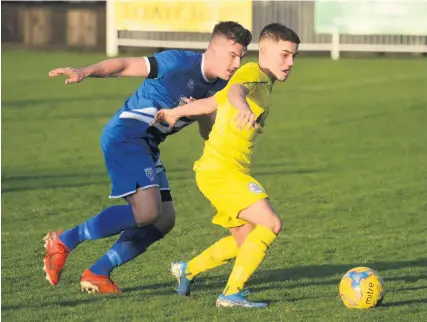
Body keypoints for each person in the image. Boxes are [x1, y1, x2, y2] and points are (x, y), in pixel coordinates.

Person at [43, 21, 252, 294]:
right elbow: (125, 66)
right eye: (232, 54)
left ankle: (98, 272)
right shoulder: (178, 62)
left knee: (164, 220)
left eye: (242, 57)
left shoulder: (221, 87)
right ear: (213, 47)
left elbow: (208, 133)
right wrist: (84, 71)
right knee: (147, 211)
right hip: (128, 133)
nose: (236, 63)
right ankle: (64, 240)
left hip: (150, 144)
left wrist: (203, 114)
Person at [151, 23, 300, 307]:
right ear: (265, 52)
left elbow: (211, 103)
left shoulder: (264, 82)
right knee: (271, 223)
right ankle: (231, 294)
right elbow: (234, 94)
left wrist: (174, 113)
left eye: (294, 56)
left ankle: (188, 269)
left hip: (221, 171)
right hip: (221, 171)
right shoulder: (251, 73)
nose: (290, 62)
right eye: (284, 55)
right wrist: (242, 106)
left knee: (247, 240)